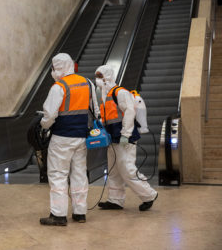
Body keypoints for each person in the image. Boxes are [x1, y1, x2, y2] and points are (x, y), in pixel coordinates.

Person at [40, 53, 99, 226]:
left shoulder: (59, 86)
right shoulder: (87, 83)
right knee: (79, 174)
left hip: (61, 137)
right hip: (82, 137)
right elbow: (95, 110)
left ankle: (58, 215)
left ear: (58, 67)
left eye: (53, 67)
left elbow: (50, 114)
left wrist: (44, 125)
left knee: (58, 175)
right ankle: (79, 212)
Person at [94, 65, 158, 211]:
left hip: (124, 138)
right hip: (112, 138)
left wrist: (126, 134)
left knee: (127, 169)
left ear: (107, 76)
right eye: (97, 76)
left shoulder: (120, 92)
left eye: (100, 76)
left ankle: (149, 195)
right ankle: (115, 200)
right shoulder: (105, 95)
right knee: (113, 170)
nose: (97, 79)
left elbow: (130, 112)